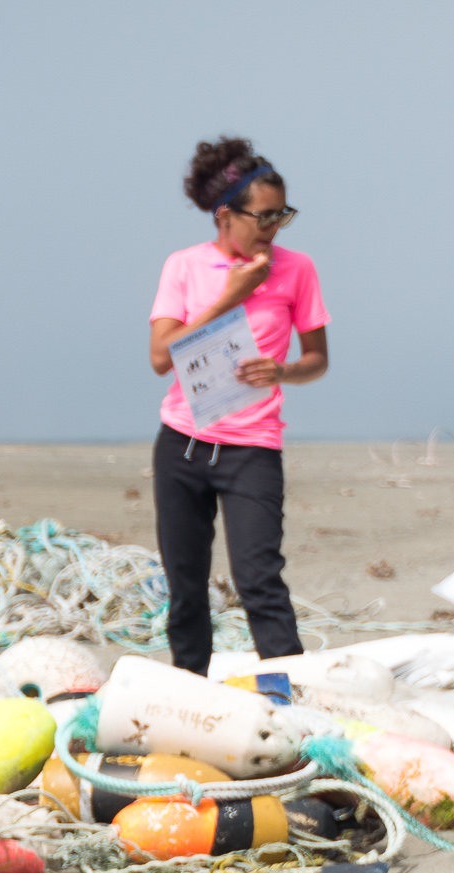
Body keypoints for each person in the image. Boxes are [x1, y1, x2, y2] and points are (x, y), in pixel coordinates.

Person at [147, 135, 328, 675]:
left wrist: (283, 371)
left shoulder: (297, 270)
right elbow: (161, 356)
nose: (273, 228)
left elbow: (317, 359)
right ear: (225, 216)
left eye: (282, 216)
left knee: (259, 579)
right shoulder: (183, 267)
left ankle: (290, 699)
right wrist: (234, 294)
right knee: (185, 586)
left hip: (253, 448)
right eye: (263, 216)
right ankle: (189, 696)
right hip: (182, 443)